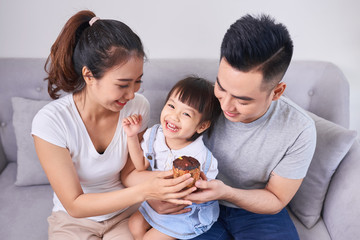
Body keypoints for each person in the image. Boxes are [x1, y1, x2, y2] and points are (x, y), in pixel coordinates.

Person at [150, 14, 317, 240]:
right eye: (221, 86)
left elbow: (276, 198)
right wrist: (152, 197)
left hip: (255, 209)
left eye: (243, 100)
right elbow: (150, 154)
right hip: (195, 208)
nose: (225, 106)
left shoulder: (299, 130)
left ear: (276, 92)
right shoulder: (202, 102)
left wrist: (226, 192)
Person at [31, 10, 195, 240]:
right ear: (89, 76)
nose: (131, 94)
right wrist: (145, 191)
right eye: (122, 84)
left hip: (124, 215)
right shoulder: (51, 122)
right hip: (74, 222)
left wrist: (169, 184)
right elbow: (75, 205)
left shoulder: (138, 106)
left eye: (137, 81)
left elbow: (129, 172)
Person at [122, 77, 222, 240]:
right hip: (158, 198)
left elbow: (206, 191)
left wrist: (196, 188)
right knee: (134, 224)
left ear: (201, 126)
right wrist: (132, 136)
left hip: (185, 211)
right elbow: (140, 166)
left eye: (186, 114)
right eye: (171, 105)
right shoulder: (154, 136)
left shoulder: (201, 157)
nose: (174, 116)